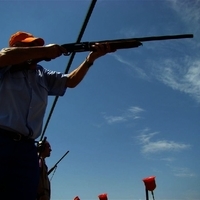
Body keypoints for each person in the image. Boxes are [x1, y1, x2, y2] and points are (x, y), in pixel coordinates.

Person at [0, 31, 115, 200]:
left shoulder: (42, 74)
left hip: (26, 148)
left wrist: (91, 59)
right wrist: (45, 51)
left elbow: (70, 81)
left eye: (37, 45)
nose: (36, 48)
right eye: (31, 45)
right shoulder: (6, 68)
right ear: (16, 47)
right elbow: (3, 55)